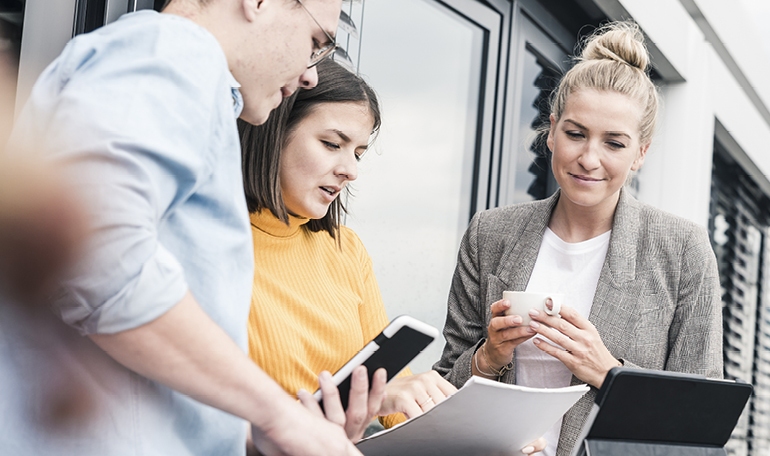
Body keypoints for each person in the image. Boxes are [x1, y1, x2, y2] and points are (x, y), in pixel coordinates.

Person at [5, 0, 364, 454]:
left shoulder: (179, 71)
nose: (312, 74)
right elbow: (99, 260)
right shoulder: (172, 51)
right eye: (316, 42)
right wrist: (278, 412)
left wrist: (260, 435)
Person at [433, 21, 724, 456]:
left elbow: (699, 422)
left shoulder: (682, 251)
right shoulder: (490, 234)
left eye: (614, 143)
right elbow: (442, 387)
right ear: (551, 131)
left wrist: (608, 373)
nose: (589, 158)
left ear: (640, 153)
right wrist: (487, 358)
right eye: (575, 134)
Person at [239, 59, 458, 440]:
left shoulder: (345, 250)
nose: (350, 170)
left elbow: (390, 386)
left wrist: (476, 434)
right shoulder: (215, 241)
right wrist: (376, 398)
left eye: (357, 152)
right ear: (276, 130)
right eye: (331, 144)